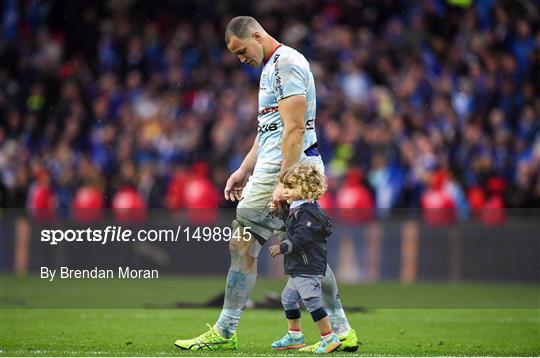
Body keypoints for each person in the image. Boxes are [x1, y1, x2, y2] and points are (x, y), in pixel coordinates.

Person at [174, 16, 358, 352]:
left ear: (257, 35)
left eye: (242, 50)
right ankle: (341, 329)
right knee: (299, 256)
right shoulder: (271, 67)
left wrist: (283, 183)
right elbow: (269, 132)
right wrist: (243, 169)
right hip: (278, 171)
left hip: (287, 172)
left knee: (262, 249)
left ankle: (226, 331)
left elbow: (295, 129)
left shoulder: (286, 64)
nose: (241, 58)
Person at [269, 163, 342, 353]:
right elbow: (289, 225)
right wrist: (276, 212)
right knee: (288, 299)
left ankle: (328, 338)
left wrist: (282, 248)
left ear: (307, 188)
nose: (285, 191)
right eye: (285, 186)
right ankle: (295, 336)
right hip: (299, 266)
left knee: (311, 300)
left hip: (308, 266)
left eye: (291, 187)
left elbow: (301, 239)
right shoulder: (297, 209)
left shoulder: (310, 213)